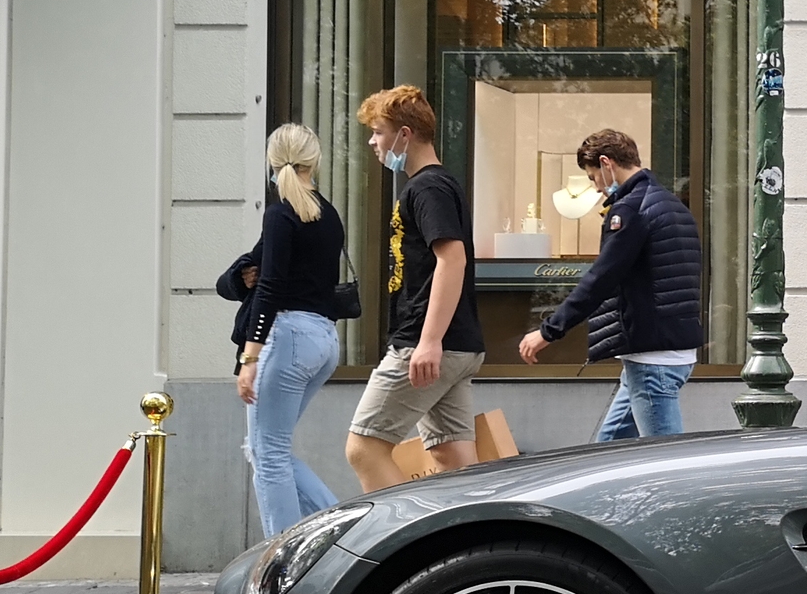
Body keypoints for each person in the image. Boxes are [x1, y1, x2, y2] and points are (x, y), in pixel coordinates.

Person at [518, 128, 703, 440]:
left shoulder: (630, 209)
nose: (597, 188)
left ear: (607, 163)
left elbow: (601, 278)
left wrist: (549, 331)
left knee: (667, 462)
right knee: (608, 449)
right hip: (670, 350)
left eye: (593, 177)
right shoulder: (671, 205)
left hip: (651, 358)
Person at [345, 85, 484, 488]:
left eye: (379, 130)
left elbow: (451, 258)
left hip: (425, 343)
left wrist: (428, 341)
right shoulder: (439, 185)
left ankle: (396, 546)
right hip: (455, 344)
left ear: (404, 134)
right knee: (454, 459)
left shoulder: (426, 188)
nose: (373, 141)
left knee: (364, 448)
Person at [235, 124, 348, 535]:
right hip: (324, 339)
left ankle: (280, 555)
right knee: (269, 449)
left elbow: (271, 286)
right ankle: (337, 525)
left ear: (272, 160)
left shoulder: (282, 214)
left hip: (289, 338)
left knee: (267, 453)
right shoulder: (328, 214)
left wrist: (250, 357)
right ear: (313, 160)